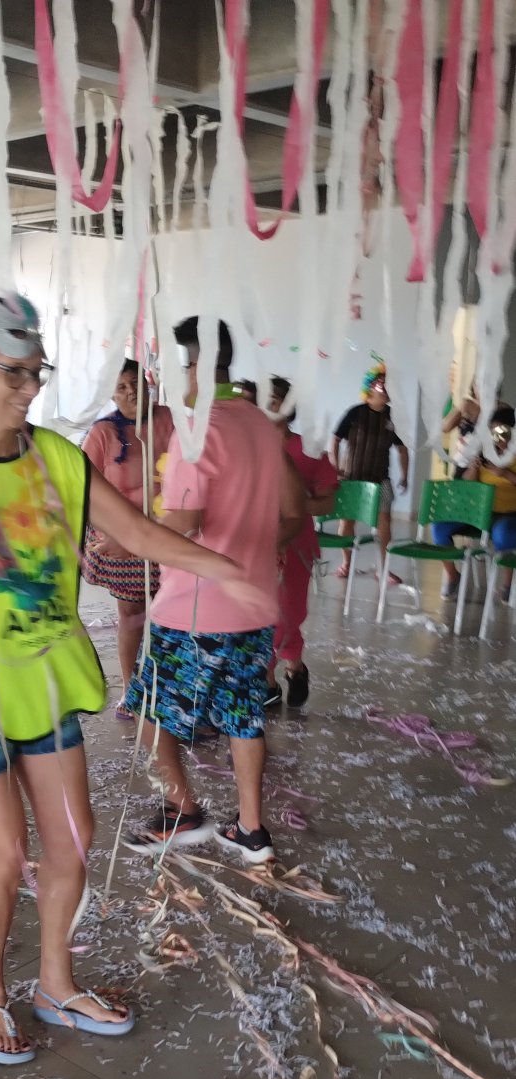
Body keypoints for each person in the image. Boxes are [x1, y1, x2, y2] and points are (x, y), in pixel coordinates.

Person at [0, 294, 249, 1065]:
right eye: (14, 371)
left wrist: (225, 568)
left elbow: (131, 531)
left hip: (43, 670)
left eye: (38, 372)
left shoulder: (58, 458)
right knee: (4, 851)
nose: (30, 387)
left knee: (74, 838)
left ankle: (55, 983)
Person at [124, 317, 305, 865]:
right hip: (253, 602)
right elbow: (295, 515)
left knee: (149, 707)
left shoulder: (198, 428)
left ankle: (184, 811)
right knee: (245, 716)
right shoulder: (259, 423)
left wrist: (124, 534)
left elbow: (185, 520)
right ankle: (251, 830)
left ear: (195, 366)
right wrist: (249, 552)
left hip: (194, 606)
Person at [82, 360, 173, 719]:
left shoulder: (171, 420)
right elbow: (82, 489)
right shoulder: (102, 434)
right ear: (111, 393)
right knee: (132, 615)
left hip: (170, 534)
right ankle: (131, 687)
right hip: (123, 538)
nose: (130, 391)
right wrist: (110, 534)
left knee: (171, 615)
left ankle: (169, 689)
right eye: (120, 387)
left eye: (135, 382)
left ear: (150, 383)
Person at [265, 377, 338, 709]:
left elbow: (326, 503)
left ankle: (288, 668)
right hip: (255, 543)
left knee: (289, 612)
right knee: (261, 613)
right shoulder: (245, 446)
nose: (268, 404)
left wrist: (291, 504)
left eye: (275, 398)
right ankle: (270, 679)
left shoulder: (308, 449)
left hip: (296, 544)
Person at [329, 363, 409, 584]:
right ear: (370, 388)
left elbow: (402, 448)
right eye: (380, 384)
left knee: (384, 520)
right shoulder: (355, 413)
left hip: (380, 479)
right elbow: (334, 440)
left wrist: (405, 474)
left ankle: (383, 568)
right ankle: (346, 563)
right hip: (352, 477)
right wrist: (335, 466)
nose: (384, 389)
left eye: (388, 385)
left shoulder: (394, 417)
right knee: (347, 522)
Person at [433, 405, 516, 603]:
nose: (498, 438)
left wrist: (504, 473)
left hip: (507, 513)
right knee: (439, 527)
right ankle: (453, 576)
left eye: (502, 432)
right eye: (493, 432)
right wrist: (473, 468)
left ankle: (507, 584)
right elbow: (468, 484)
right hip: (478, 511)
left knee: (503, 535)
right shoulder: (484, 450)